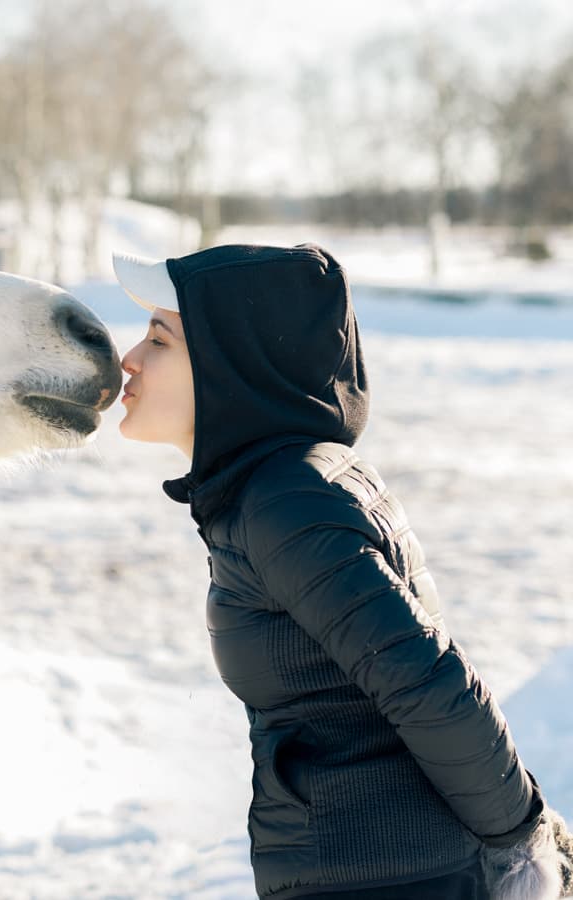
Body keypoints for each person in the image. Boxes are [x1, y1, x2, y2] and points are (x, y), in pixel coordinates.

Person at [110, 243, 573, 899]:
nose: (129, 358)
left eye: (159, 339)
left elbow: (427, 680)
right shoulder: (281, 488)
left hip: (390, 878)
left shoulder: (287, 504)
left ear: (231, 363)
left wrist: (523, 845)